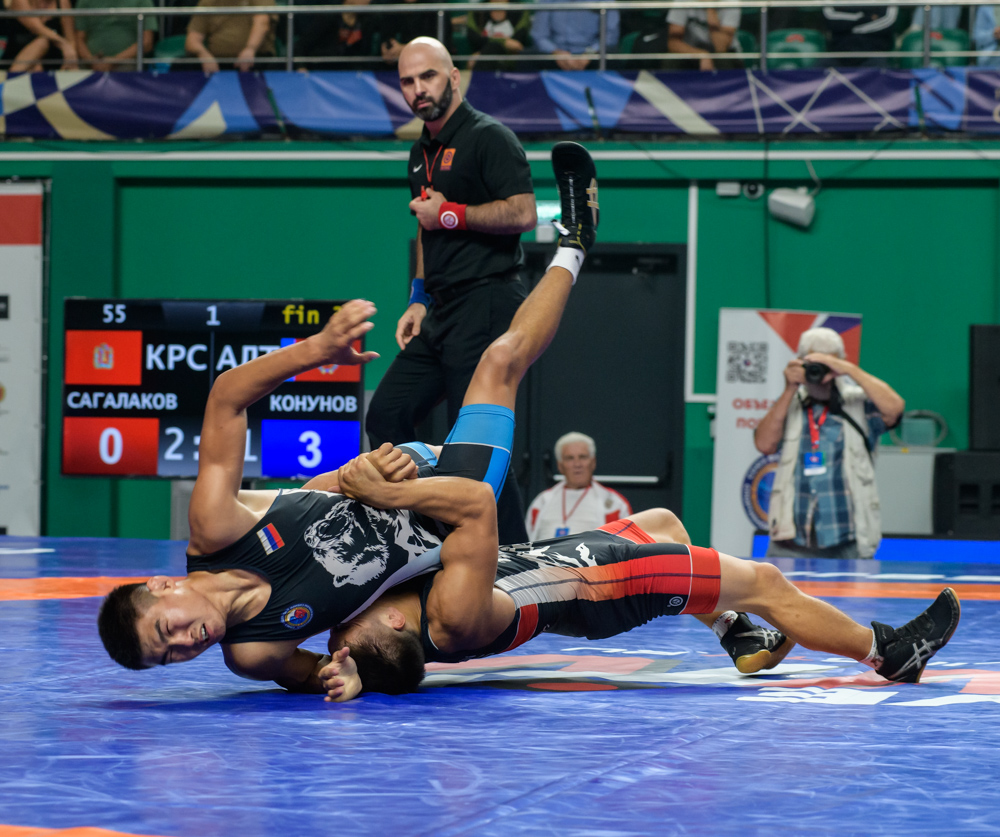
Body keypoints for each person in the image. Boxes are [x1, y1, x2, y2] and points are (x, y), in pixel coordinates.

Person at [96, 142, 592, 691]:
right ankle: (573, 244)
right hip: (449, 516)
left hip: (404, 474)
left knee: (462, 379)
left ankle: (572, 242)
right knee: (498, 361)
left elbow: (225, 398)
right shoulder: (254, 653)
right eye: (171, 658)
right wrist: (348, 677)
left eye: (166, 630)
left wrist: (317, 350)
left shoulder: (216, 528)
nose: (187, 643)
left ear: (163, 586)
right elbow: (325, 673)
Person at [364, 36, 537, 545]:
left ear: (454, 77)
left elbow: (523, 212)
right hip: (441, 309)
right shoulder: (420, 151)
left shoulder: (489, 137)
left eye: (428, 76)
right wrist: (418, 297)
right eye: (407, 81)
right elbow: (425, 227)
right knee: (387, 415)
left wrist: (451, 214)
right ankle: (420, 535)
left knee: (478, 445)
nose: (418, 89)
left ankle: (513, 557)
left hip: (488, 300)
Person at [754, 327, 904, 560]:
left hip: (848, 539)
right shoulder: (790, 403)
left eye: (828, 362)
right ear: (800, 361)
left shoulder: (857, 402)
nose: (821, 371)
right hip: (790, 539)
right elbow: (764, 444)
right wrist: (789, 388)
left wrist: (848, 370)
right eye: (813, 362)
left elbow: (895, 409)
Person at [525, 431, 631, 541]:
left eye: (583, 457)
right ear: (560, 466)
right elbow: (525, 543)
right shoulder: (541, 502)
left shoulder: (615, 504)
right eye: (570, 458)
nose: (577, 464)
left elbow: (626, 545)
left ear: (593, 462)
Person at [185, 0, 275, 73]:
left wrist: (250, 49)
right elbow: (192, 39)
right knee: (183, 65)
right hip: (217, 61)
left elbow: (262, 23)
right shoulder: (208, 2)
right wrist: (204, 55)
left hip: (255, 57)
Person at [529, 0, 619, 70]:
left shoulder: (606, 1)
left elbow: (610, 36)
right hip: (556, 53)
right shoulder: (547, 1)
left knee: (612, 58)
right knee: (529, 57)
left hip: (592, 52)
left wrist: (589, 53)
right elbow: (539, 36)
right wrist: (556, 52)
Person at [74, 0, 157, 71]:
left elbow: (147, 43)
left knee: (128, 71)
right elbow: (78, 40)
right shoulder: (85, 1)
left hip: (128, 64)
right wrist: (91, 61)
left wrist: (114, 61)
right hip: (89, 65)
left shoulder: (142, 1)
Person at [1, 0, 76, 73]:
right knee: (42, 42)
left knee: (39, 63)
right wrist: (63, 44)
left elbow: (70, 39)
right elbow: (37, 28)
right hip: (18, 53)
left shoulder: (62, 2)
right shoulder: (20, 1)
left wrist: (71, 58)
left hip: (51, 57)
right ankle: (11, 76)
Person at [821, 5, 899, 66]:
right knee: (820, 69)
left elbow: (887, 20)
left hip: (875, 54)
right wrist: (866, 17)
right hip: (838, 54)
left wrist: (850, 26)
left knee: (882, 69)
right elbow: (830, 18)